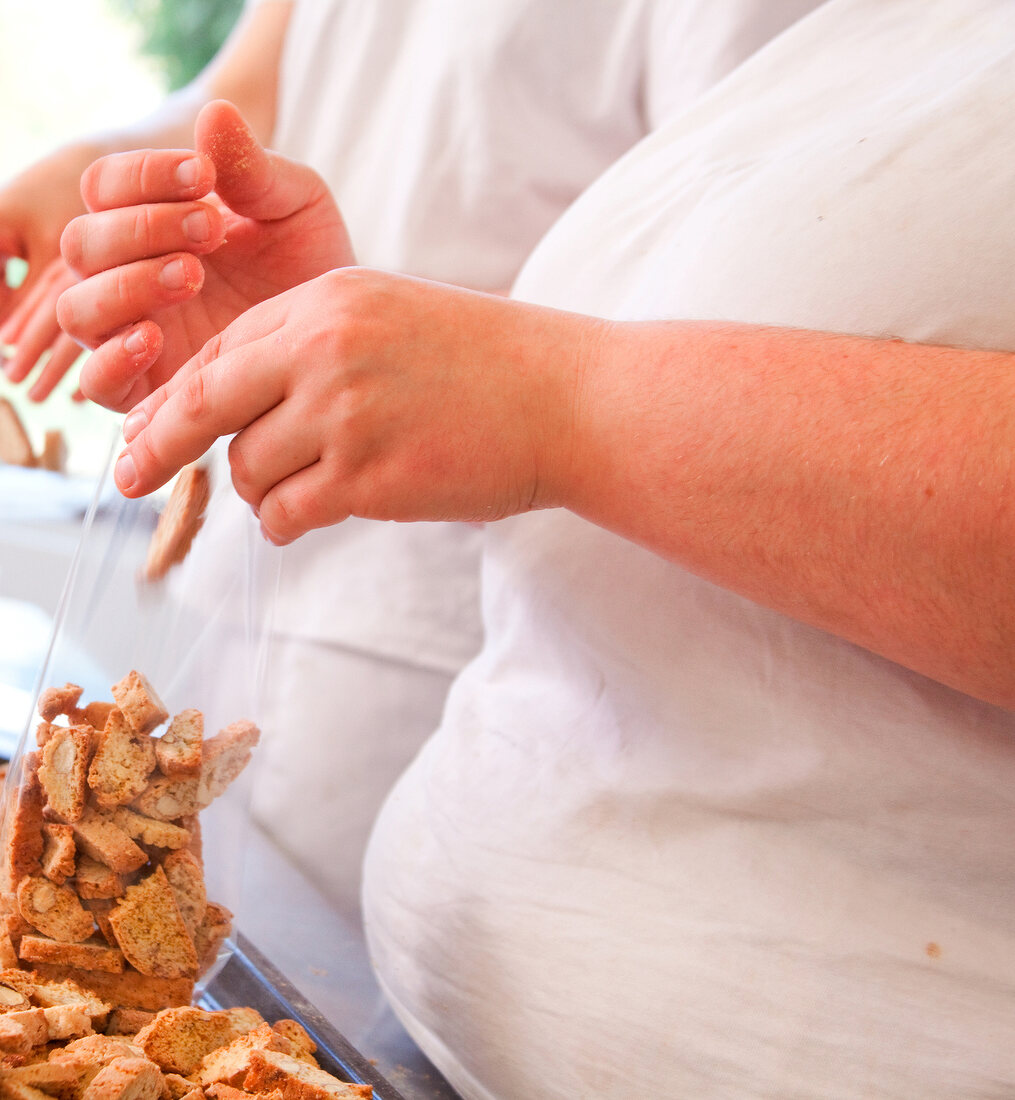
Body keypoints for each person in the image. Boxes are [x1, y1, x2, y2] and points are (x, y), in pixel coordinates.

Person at [1, 0, 825, 912]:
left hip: (446, 627)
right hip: (257, 554)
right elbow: (247, 91)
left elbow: (754, 305)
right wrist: (112, 165)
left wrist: (477, 375)